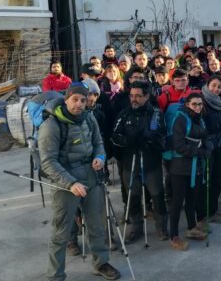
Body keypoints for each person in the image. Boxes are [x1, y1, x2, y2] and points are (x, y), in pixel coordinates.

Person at [38, 82, 121, 281]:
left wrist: (100, 158)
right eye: (75, 99)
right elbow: (48, 162)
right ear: (66, 99)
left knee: (97, 225)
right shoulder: (52, 125)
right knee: (61, 231)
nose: (79, 104)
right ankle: (55, 275)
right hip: (66, 181)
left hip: (92, 177)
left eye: (83, 100)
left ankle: (100, 262)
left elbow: (98, 143)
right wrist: (70, 183)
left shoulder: (89, 118)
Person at [111, 81, 168, 243]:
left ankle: (162, 226)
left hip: (151, 163)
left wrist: (151, 138)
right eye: (132, 96)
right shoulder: (124, 114)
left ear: (147, 96)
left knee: (157, 194)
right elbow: (115, 136)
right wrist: (128, 140)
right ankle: (135, 226)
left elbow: (162, 136)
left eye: (138, 96)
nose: (134, 99)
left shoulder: (155, 114)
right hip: (131, 162)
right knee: (133, 195)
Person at [169, 93, 209, 251]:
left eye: (200, 104)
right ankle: (174, 236)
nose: (198, 107)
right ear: (187, 105)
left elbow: (204, 137)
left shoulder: (200, 118)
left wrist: (208, 146)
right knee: (177, 202)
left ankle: (191, 228)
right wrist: (200, 152)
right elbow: (178, 145)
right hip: (180, 167)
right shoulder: (180, 119)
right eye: (195, 104)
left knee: (192, 199)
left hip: (195, 166)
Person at [201, 75, 221, 224]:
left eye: (219, 87)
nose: (216, 89)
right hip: (207, 143)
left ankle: (213, 209)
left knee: (218, 177)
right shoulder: (201, 100)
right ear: (208, 85)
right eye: (213, 85)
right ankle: (204, 211)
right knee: (207, 178)